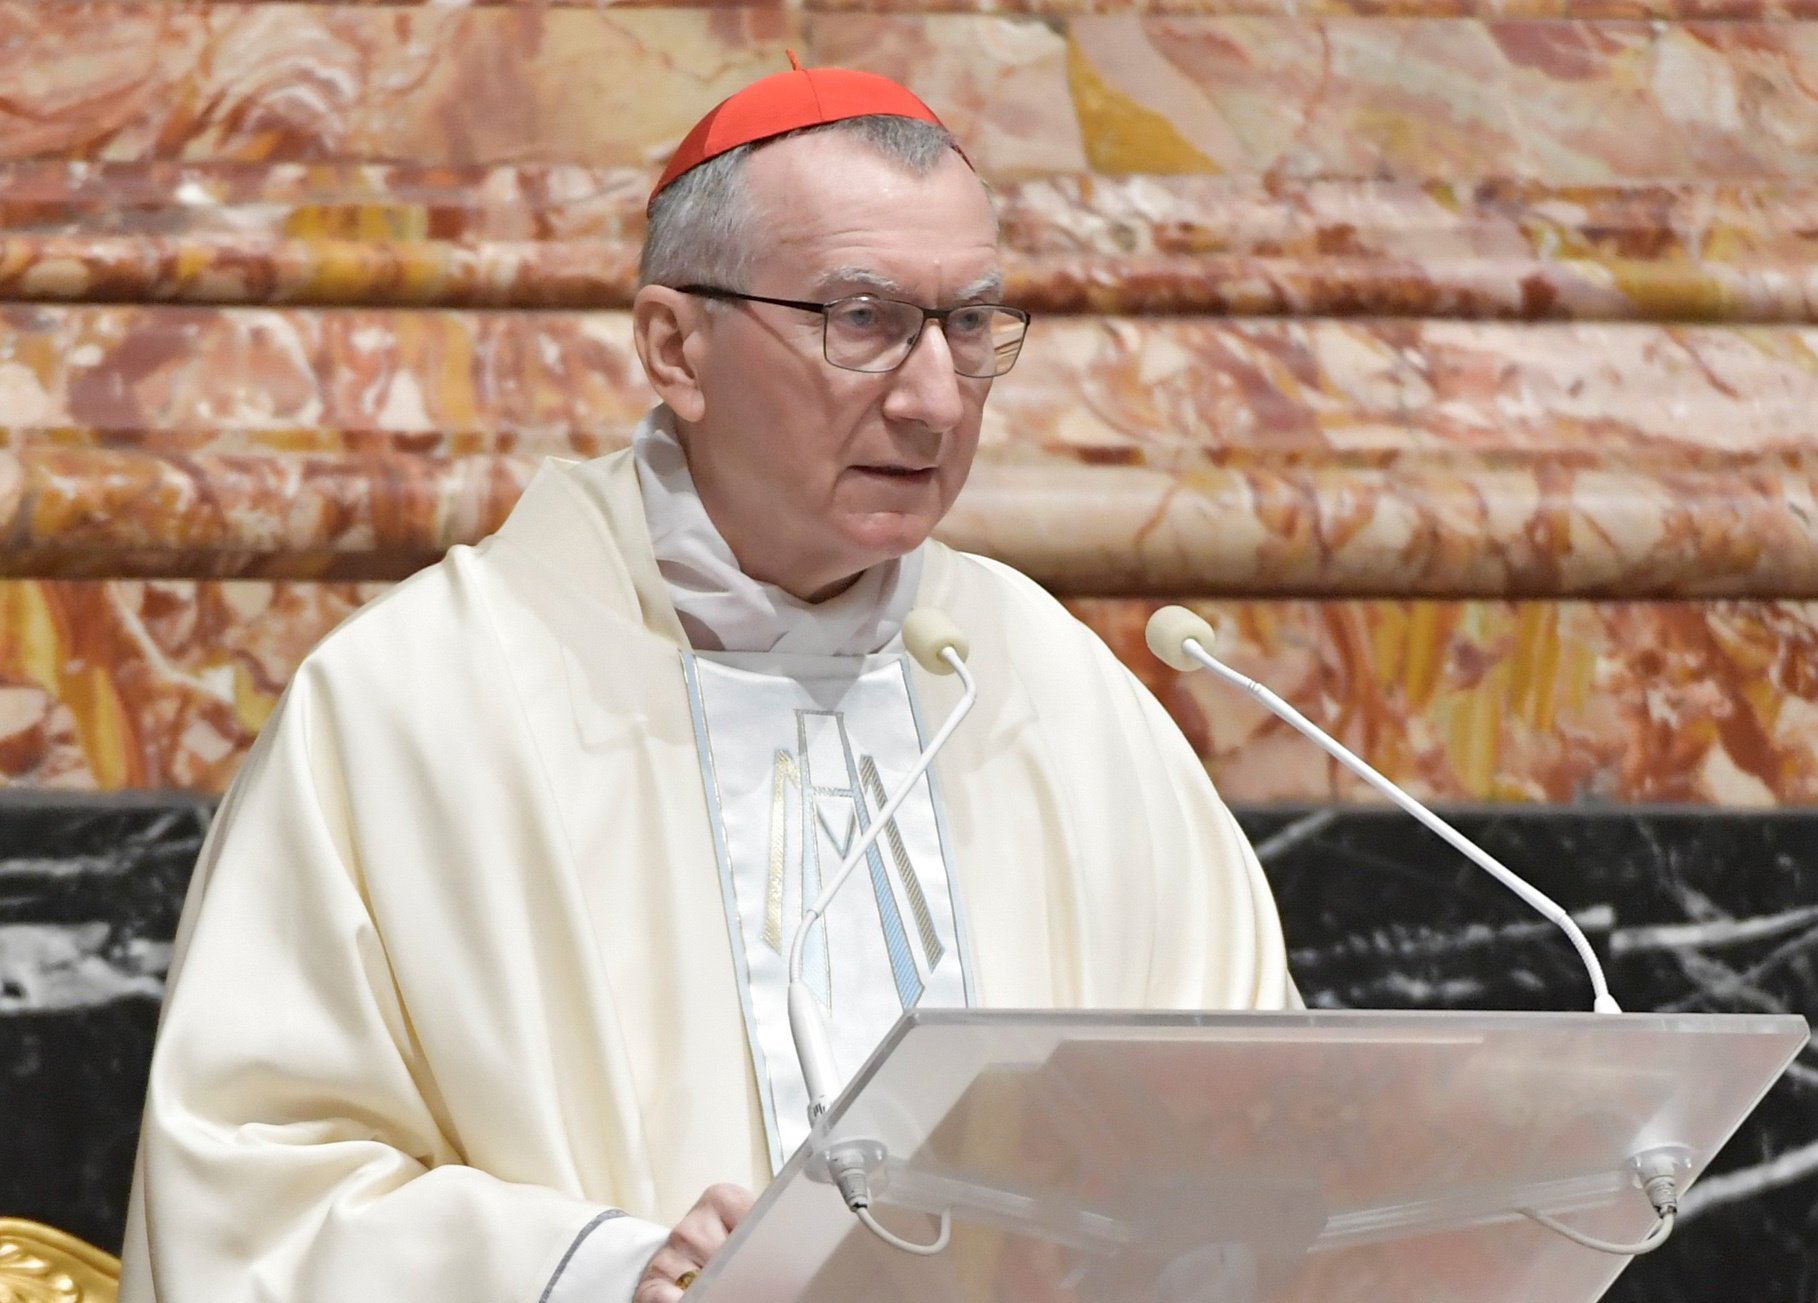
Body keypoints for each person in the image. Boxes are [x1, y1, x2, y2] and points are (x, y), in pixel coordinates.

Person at [117, 58, 1296, 1303]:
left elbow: (1257, 1131)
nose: (937, 398)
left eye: (966, 324)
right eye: (864, 321)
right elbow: (256, 1198)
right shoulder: (420, 707)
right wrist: (600, 1274)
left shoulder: (1055, 694)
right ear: (675, 346)